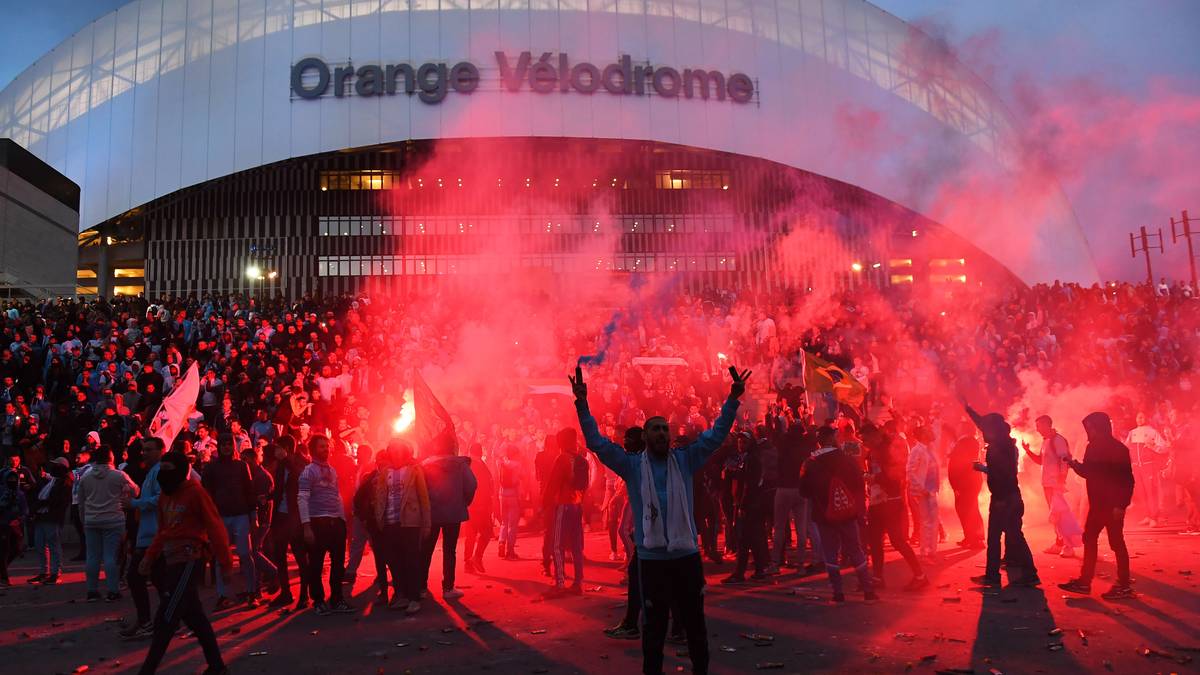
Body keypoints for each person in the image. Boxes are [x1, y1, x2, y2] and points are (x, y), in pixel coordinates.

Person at [572, 364, 747, 675]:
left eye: (665, 428)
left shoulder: (685, 459)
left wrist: (732, 399)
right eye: (656, 428)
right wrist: (582, 404)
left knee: (695, 625)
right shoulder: (632, 467)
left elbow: (717, 435)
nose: (662, 433)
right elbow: (597, 444)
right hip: (652, 560)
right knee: (653, 628)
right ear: (646, 436)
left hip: (686, 558)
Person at [136, 451, 231, 675]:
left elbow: (215, 526)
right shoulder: (164, 497)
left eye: (170, 471)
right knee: (194, 617)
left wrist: (225, 563)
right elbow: (163, 531)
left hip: (190, 560)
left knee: (166, 617)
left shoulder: (196, 493)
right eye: (162, 470)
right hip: (171, 561)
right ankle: (217, 666)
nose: (164, 476)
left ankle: (147, 670)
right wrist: (149, 557)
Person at [1059, 412, 1136, 600]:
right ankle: (1087, 582)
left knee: (1115, 543)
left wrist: (1120, 505)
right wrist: (1074, 464)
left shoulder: (1112, 449)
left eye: (1091, 428)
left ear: (1099, 427)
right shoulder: (1098, 447)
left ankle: (1121, 585)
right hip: (1101, 504)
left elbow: (1127, 480)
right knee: (1092, 538)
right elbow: (1090, 472)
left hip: (1109, 505)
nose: (1089, 431)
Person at [963, 403, 1039, 588]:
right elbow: (982, 423)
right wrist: (968, 408)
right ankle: (993, 576)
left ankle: (1029, 574)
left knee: (1012, 536)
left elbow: (1003, 475)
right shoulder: (1001, 442)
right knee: (998, 538)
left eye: (986, 430)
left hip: (1005, 499)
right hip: (1005, 497)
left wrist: (1001, 500)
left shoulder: (1000, 449)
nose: (982, 433)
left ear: (993, 431)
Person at [800, 426, 877, 603]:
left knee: (830, 553)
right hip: (847, 512)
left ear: (819, 441)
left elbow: (803, 491)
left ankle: (838, 593)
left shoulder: (810, 462)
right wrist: (860, 511)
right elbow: (858, 486)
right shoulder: (847, 459)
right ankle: (868, 591)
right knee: (856, 550)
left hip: (823, 514)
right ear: (834, 438)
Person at [355, 439, 430, 613]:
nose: (395, 453)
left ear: (405, 451)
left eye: (398, 450)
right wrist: (378, 519)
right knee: (395, 561)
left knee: (411, 560)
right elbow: (381, 497)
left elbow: (423, 497)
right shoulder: (385, 473)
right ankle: (402, 595)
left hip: (410, 521)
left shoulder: (414, 470)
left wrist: (426, 522)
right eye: (392, 450)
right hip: (389, 522)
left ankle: (414, 598)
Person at [201, 432, 259, 610]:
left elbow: (250, 491)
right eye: (223, 443)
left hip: (241, 514)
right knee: (221, 558)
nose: (226, 446)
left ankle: (252, 591)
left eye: (229, 443)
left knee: (244, 554)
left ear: (233, 445)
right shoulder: (211, 467)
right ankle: (223, 594)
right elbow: (206, 494)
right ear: (219, 446)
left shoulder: (241, 466)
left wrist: (253, 514)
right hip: (220, 517)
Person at [298, 435, 354, 614]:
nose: (326, 450)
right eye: (322, 447)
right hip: (317, 522)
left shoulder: (332, 471)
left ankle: (337, 599)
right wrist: (306, 526)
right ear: (314, 449)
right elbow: (302, 499)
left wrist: (342, 520)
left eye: (327, 446)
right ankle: (318, 601)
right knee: (316, 563)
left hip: (335, 522)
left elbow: (337, 496)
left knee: (338, 563)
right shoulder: (308, 471)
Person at [77, 445, 139, 602]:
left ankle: (92, 591)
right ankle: (113, 590)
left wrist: (84, 520)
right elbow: (135, 491)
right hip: (113, 519)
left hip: (91, 519)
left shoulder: (86, 477)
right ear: (110, 458)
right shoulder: (119, 475)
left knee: (92, 556)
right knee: (110, 556)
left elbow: (81, 502)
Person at [420, 436, 477, 599]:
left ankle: (421, 587)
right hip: (453, 513)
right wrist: (463, 501)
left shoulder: (426, 465)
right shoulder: (460, 465)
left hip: (432, 513)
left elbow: (420, 487)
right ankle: (448, 588)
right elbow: (472, 484)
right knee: (449, 550)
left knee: (426, 549)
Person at [1022, 415, 1083, 558]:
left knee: (1062, 515)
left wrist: (1061, 480)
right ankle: (1059, 543)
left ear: (1046, 425)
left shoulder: (1058, 440)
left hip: (1055, 484)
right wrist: (1027, 451)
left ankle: (1069, 546)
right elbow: (1040, 461)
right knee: (1055, 516)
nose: (1037, 429)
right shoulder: (1046, 441)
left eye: (1038, 426)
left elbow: (1065, 460)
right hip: (1047, 484)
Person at [544, 427, 589, 596]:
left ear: (561, 442)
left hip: (563, 505)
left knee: (558, 545)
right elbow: (586, 486)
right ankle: (578, 583)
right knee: (576, 546)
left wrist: (544, 503)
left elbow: (552, 484)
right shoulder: (582, 460)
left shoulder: (562, 459)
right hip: (577, 505)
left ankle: (560, 583)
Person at [267, 435, 310, 609]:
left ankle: (304, 595)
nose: (276, 451)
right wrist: (268, 497)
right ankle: (286, 593)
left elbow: (301, 481)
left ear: (287, 448)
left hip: (296, 516)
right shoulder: (280, 466)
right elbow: (279, 489)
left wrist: (288, 460)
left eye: (279, 447)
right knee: (280, 555)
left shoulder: (301, 462)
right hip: (281, 515)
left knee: (300, 556)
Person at [723, 431, 771, 584]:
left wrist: (743, 505)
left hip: (749, 504)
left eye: (744, 442)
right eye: (739, 442)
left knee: (743, 539)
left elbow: (750, 484)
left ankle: (739, 573)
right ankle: (759, 570)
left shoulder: (751, 459)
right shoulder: (747, 459)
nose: (740, 445)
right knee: (753, 538)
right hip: (751, 503)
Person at [28, 457, 71, 585]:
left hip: (52, 517)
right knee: (40, 545)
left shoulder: (65, 481)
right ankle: (44, 572)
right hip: (42, 516)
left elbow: (57, 501)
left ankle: (55, 573)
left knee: (53, 545)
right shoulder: (52, 480)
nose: (53, 468)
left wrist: (40, 505)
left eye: (56, 465)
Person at [1124, 412, 1168, 527]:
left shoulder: (1152, 432)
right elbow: (1125, 448)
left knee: (1151, 492)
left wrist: (1153, 446)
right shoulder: (1132, 433)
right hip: (1136, 466)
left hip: (1149, 466)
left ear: (1146, 418)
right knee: (1141, 492)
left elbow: (1164, 447)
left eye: (1142, 417)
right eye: (1138, 417)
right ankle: (1147, 516)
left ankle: (1154, 518)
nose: (1140, 419)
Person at [947, 423, 985, 550]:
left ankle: (976, 539)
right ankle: (971, 537)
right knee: (968, 509)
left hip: (966, 482)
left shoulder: (966, 442)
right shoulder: (968, 442)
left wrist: (957, 485)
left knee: (968, 510)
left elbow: (961, 463)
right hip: (968, 481)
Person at [906, 425, 940, 561]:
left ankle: (932, 551)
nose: (929, 433)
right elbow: (910, 470)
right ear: (921, 435)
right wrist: (921, 488)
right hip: (924, 491)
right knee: (926, 522)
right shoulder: (916, 450)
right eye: (926, 432)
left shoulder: (929, 449)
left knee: (933, 521)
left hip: (932, 490)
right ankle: (925, 552)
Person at [462, 442, 495, 575]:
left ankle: (468, 563)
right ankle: (476, 558)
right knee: (486, 533)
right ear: (480, 451)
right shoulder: (478, 465)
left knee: (471, 534)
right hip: (479, 505)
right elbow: (484, 486)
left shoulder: (467, 465)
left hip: (470, 505)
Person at [0, 469, 27, 586]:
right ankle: (4, 577)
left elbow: (25, 510)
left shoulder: (20, 494)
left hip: (16, 527)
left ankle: (2, 571)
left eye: (14, 479)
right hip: (2, 525)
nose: (12, 481)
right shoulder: (1, 492)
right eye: (9, 479)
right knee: (4, 551)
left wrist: (20, 519)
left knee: (16, 549)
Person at [496, 444, 522, 561]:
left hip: (502, 494)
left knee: (504, 522)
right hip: (513, 494)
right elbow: (519, 478)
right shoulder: (517, 465)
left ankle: (501, 542)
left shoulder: (500, 463)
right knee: (512, 524)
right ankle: (510, 550)